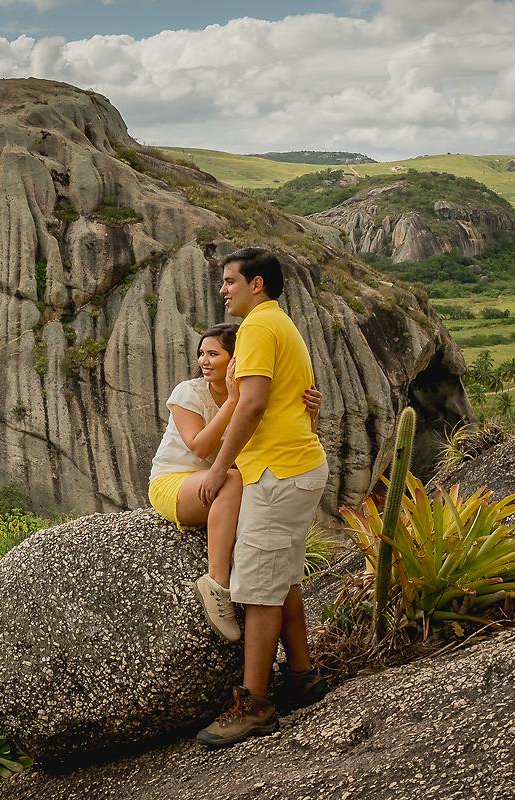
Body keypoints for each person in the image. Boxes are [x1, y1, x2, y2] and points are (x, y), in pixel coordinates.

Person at [194, 247, 330, 748]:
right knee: (283, 579)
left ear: (257, 284)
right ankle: (302, 676)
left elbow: (250, 405)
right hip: (293, 468)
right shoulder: (281, 324)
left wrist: (218, 467)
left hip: (278, 473)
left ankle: (254, 704)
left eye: (230, 281)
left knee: (255, 590)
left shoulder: (256, 328)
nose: (223, 289)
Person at [149, 324, 319, 643]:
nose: (205, 361)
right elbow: (199, 447)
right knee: (231, 477)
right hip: (174, 483)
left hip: (223, 486)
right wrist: (231, 402)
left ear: (236, 360)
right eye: (202, 354)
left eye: (214, 354)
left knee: (241, 485)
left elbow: (293, 439)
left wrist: (312, 411)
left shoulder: (257, 398)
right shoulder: (189, 392)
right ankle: (217, 585)